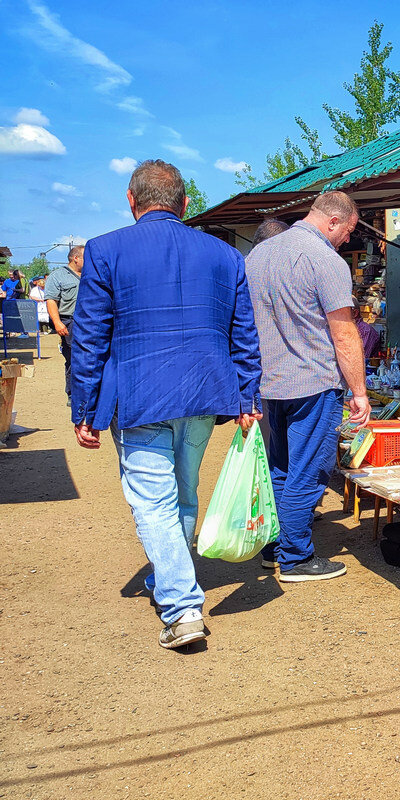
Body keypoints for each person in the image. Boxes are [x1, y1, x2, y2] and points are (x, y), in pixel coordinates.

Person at [71, 159, 262, 649]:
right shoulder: (224, 256)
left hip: (139, 395)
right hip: (203, 393)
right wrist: (247, 395)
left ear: (131, 201)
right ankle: (169, 580)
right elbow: (244, 335)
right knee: (183, 492)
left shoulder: (105, 250)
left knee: (153, 502)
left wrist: (83, 407)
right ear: (184, 203)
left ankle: (181, 607)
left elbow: (90, 336)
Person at [245, 191, 370, 582]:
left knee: (280, 467)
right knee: (310, 470)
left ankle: (274, 547)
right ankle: (297, 556)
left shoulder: (258, 255)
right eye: (347, 231)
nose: (347, 240)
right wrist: (359, 391)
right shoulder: (325, 260)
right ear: (333, 221)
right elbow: (344, 333)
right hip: (312, 381)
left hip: (270, 381)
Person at [44, 247, 84, 401]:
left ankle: (89, 392)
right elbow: (51, 301)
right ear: (75, 258)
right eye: (85, 257)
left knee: (90, 357)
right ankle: (73, 394)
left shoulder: (91, 274)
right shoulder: (57, 276)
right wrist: (58, 322)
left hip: (89, 322)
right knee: (74, 357)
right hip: (69, 321)